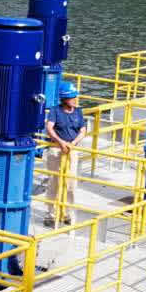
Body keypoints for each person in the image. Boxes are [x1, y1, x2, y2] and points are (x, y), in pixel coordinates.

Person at [45, 83, 86, 225]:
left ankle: (68, 213)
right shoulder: (55, 111)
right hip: (56, 149)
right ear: (64, 99)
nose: (75, 99)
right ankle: (51, 214)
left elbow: (83, 130)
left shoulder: (78, 111)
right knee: (54, 182)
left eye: (75, 96)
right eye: (72, 97)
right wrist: (61, 142)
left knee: (71, 183)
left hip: (71, 150)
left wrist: (72, 144)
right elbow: (49, 128)